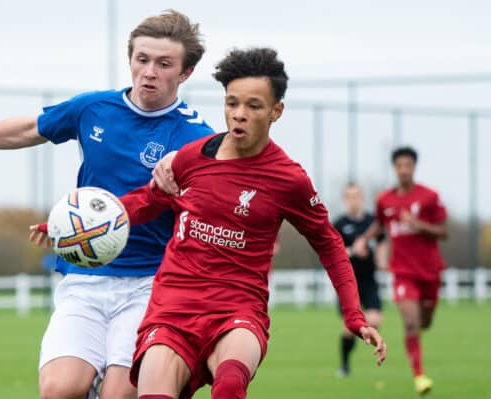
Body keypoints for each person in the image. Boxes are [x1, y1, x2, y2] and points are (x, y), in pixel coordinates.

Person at [0, 10, 213, 399]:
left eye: (164, 64)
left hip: (151, 284)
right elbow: (30, 128)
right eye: (142, 59)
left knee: (119, 394)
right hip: (84, 278)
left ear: (185, 73)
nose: (149, 72)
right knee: (60, 389)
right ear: (130, 59)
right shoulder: (95, 109)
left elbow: (207, 215)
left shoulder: (197, 138)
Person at [116, 47, 387, 399]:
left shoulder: (288, 180)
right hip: (173, 309)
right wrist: (83, 225)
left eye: (254, 106)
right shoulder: (192, 158)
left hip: (237, 310)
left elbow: (330, 244)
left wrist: (353, 315)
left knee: (230, 384)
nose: (239, 115)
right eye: (232, 104)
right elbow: (145, 202)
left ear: (276, 111)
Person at [353, 146, 447, 396]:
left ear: (414, 167)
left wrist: (417, 224)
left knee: (424, 320)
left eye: (408, 165)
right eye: (399, 166)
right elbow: (380, 225)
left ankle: (424, 319)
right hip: (403, 271)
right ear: (394, 168)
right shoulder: (385, 199)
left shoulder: (429, 197)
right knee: (410, 322)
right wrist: (364, 239)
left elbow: (443, 231)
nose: (404, 170)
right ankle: (419, 376)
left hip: (430, 271)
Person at [332, 182, 386, 377]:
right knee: (351, 328)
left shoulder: (372, 222)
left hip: (369, 280)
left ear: (362, 197)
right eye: (349, 196)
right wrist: (353, 251)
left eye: (356, 195)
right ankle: (345, 365)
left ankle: (362, 341)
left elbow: (381, 242)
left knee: (375, 319)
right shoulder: (338, 224)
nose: (353, 199)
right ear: (345, 199)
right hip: (348, 283)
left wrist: (381, 260)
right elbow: (333, 253)